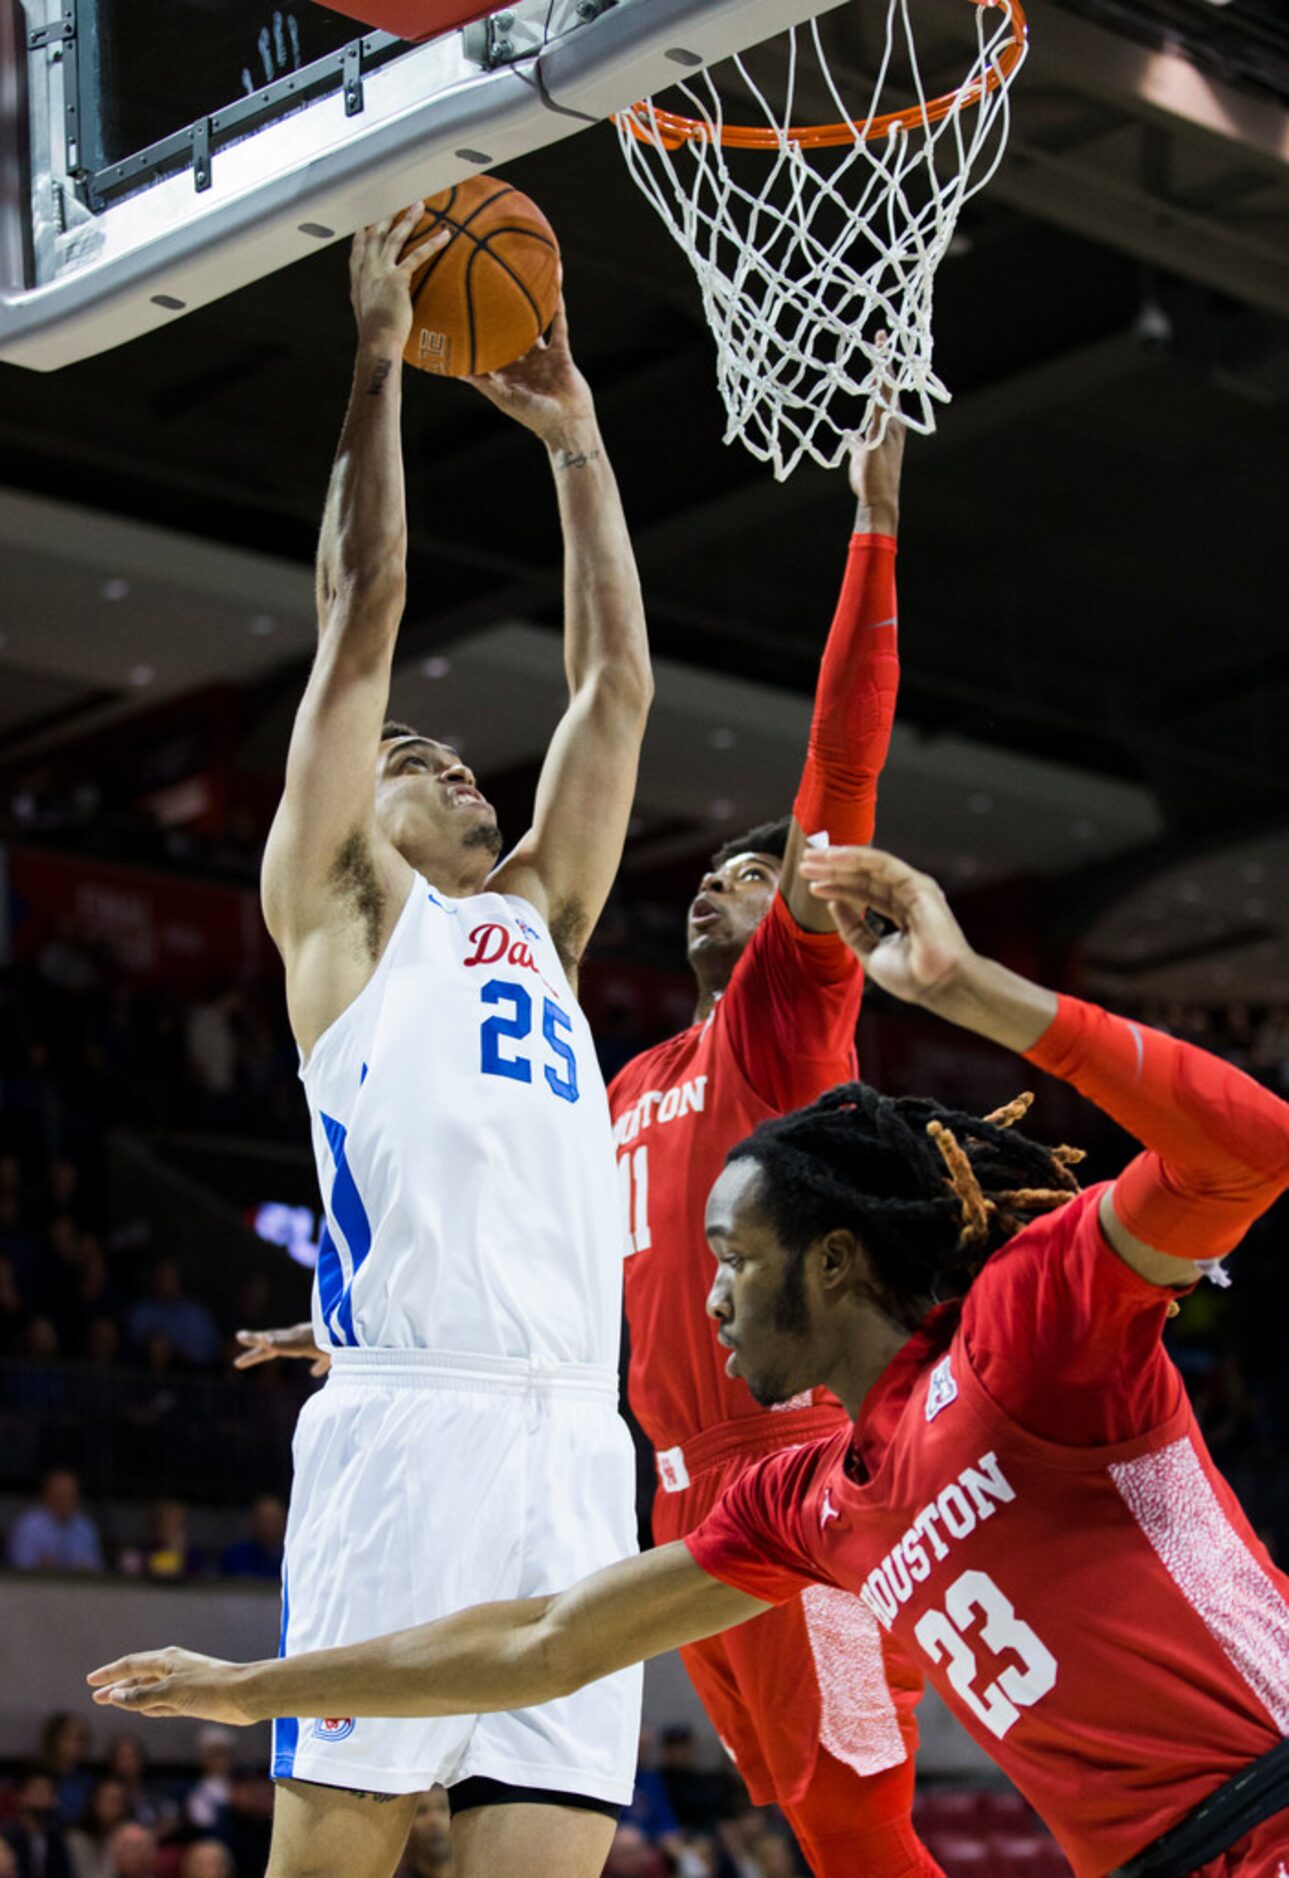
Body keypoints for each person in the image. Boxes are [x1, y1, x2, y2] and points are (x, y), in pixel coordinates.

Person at [91, 846, 1289, 1878]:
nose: (703, 1293)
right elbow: (542, 1640)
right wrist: (256, 1689)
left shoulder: (1034, 1330)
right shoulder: (813, 1503)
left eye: (731, 1257)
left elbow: (1247, 1155)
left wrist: (973, 991)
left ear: (829, 1262)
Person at [214, 202, 652, 1878]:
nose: (454, 764)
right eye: (413, 753)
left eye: (465, 762)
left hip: (573, 1436)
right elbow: (367, 603)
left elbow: (609, 691)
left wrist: (582, 447)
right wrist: (379, 361)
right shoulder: (337, 906)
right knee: (330, 1857)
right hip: (414, 1428)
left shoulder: (533, 917)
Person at [608, 415, 922, 1877]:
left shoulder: (783, 1026)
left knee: (859, 1828)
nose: (718, 890)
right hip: (673, 1491)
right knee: (800, 1829)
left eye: (754, 873)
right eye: (708, 877)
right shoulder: (624, 1083)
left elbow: (839, 761)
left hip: (802, 1460)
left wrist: (871, 526)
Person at [8, 1469, 104, 1572]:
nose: (64, 1500)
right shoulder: (28, 1526)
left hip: (78, 1586)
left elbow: (96, 1569)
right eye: (59, 1494)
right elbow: (21, 1566)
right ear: (46, 1496)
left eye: (70, 1495)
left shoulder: (86, 1529)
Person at [1, 1768, 74, 1878]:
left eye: (49, 1791)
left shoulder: (58, 1838)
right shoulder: (6, 1837)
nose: (43, 1796)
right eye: (38, 1790)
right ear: (20, 1795)